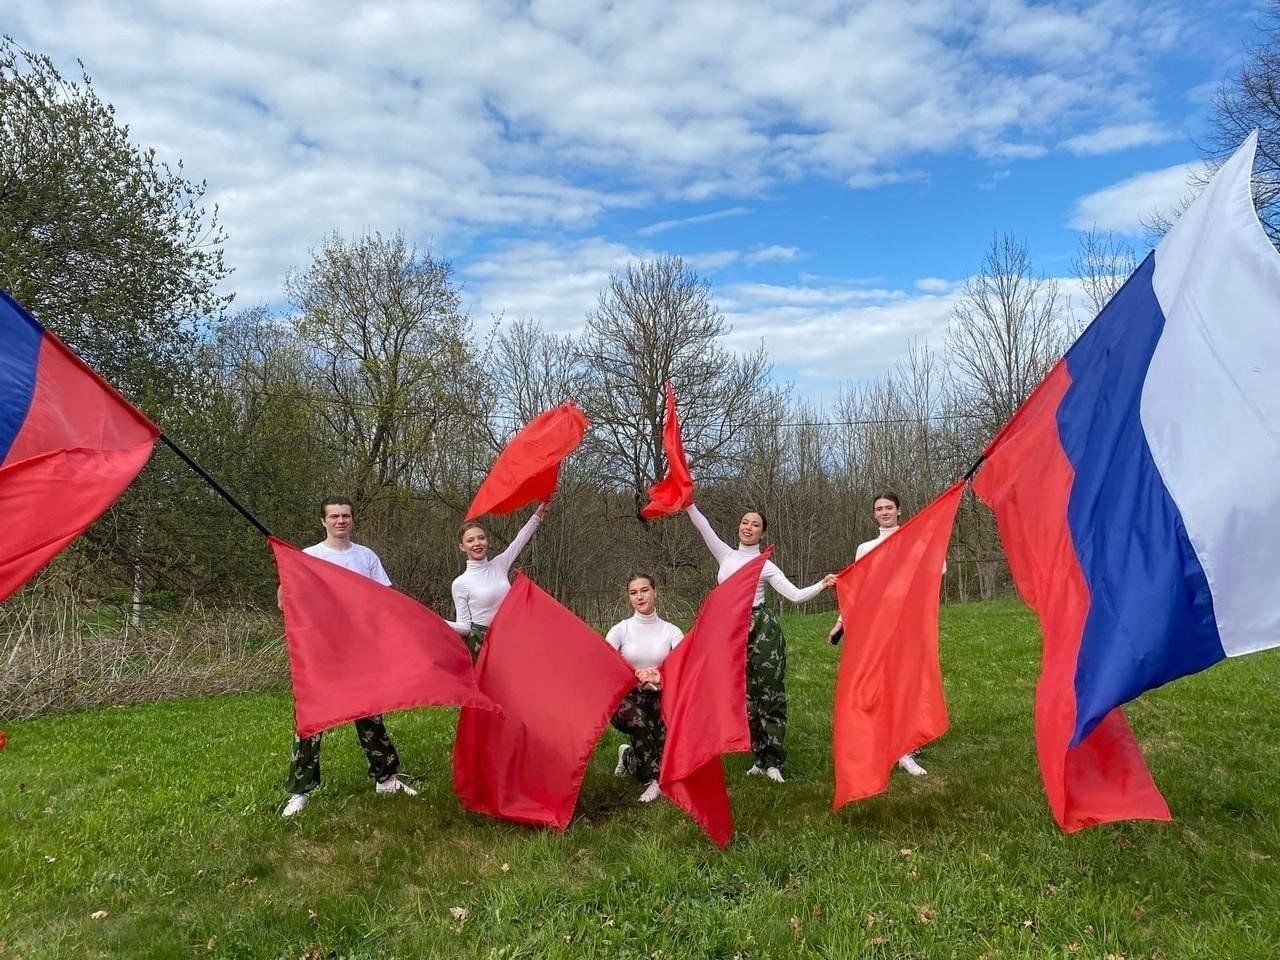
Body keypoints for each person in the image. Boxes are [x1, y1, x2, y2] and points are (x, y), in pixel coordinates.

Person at [281, 496, 417, 818]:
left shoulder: (366, 557)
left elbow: (384, 599)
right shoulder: (309, 557)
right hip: (321, 654)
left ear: (352, 520)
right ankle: (300, 792)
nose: (340, 521)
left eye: (345, 516)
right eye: (334, 516)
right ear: (323, 521)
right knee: (311, 722)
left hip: (360, 651)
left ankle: (386, 778)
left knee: (371, 715)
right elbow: (286, 600)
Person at [685, 503, 836, 783]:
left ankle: (774, 760)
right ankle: (758, 757)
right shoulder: (725, 555)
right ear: (738, 527)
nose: (748, 527)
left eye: (755, 524)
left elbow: (796, 596)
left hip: (761, 630)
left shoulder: (765, 565)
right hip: (730, 632)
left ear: (762, 533)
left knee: (770, 693)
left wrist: (822, 584)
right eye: (745, 522)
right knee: (747, 696)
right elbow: (703, 526)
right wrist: (688, 503)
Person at [828, 491, 939, 777]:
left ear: (899, 510)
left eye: (889, 507)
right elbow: (857, 591)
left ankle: (905, 747)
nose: (884, 512)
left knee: (905, 680)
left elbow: (938, 569)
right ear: (874, 513)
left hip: (907, 623)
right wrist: (842, 622)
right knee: (878, 681)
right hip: (875, 625)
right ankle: (883, 741)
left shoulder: (913, 539)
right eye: (879, 508)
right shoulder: (866, 548)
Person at [605, 573, 684, 803]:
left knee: (660, 753)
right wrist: (635, 675)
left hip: (660, 696)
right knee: (639, 723)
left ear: (655, 591)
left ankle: (627, 755)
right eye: (633, 592)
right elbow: (605, 664)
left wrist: (659, 675)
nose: (640, 597)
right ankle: (653, 782)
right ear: (629, 597)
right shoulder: (620, 630)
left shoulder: (671, 631)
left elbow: (683, 665)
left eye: (644, 590)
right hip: (626, 699)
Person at [449, 501, 550, 660]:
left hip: (511, 637)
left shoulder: (499, 565)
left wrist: (538, 514)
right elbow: (464, 627)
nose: (477, 543)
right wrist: (433, 619)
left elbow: (519, 541)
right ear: (462, 547)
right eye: (470, 540)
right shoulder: (460, 584)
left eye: (481, 538)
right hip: (483, 646)